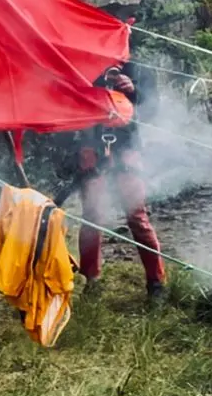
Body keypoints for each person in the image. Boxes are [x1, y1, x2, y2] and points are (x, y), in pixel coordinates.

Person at [66, 62, 167, 300]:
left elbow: (151, 111)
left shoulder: (138, 68)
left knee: (137, 216)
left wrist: (133, 91)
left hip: (126, 149)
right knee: (92, 217)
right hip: (92, 147)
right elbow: (70, 103)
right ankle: (92, 281)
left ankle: (156, 283)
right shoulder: (84, 63)